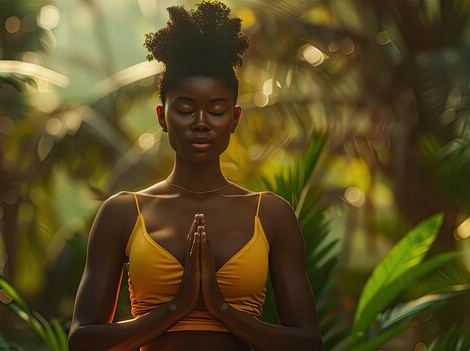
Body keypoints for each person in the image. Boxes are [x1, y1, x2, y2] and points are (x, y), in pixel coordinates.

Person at [68, 2, 321, 350]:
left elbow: (307, 343)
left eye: (216, 111)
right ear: (162, 116)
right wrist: (176, 308)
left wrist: (221, 310)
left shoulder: (272, 214)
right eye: (185, 109)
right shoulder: (124, 213)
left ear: (234, 119)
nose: (201, 121)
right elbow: (83, 340)